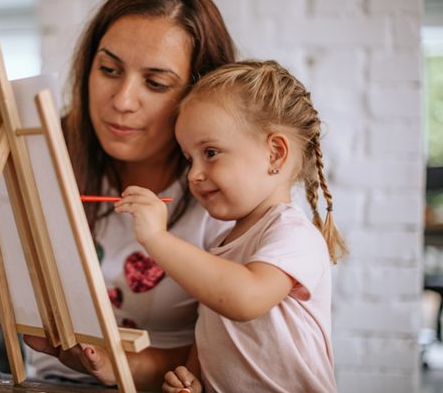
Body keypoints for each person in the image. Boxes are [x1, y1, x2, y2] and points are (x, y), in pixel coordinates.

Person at [0, 0, 236, 391]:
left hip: (147, 387)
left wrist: (116, 365)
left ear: (199, 91)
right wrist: (1, 192)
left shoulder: (220, 193)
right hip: (46, 384)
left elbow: (216, 360)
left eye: (156, 83)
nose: (123, 100)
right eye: (109, 70)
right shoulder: (47, 150)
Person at [114, 60, 348, 392]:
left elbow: (244, 298)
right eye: (188, 159)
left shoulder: (293, 234)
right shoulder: (224, 243)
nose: (193, 174)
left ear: (274, 155)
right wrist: (192, 378)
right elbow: (212, 330)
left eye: (210, 152)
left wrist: (156, 238)